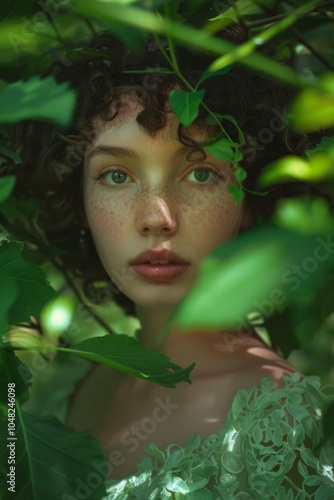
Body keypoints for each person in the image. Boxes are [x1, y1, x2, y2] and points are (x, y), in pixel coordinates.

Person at [11, 24, 334, 498]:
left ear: (250, 199)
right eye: (117, 175)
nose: (157, 218)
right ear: (78, 196)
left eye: (201, 173)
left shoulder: (283, 431)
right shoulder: (67, 383)